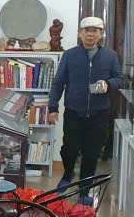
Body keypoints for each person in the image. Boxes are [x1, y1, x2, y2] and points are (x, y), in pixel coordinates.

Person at [48, 16, 122, 205]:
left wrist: (109, 83)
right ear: (80, 33)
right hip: (74, 112)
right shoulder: (70, 55)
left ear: (101, 34)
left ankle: (85, 189)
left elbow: (119, 79)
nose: (90, 34)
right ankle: (68, 174)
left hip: (99, 113)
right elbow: (58, 82)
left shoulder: (110, 56)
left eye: (95, 31)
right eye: (86, 30)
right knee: (69, 149)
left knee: (92, 153)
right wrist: (53, 107)